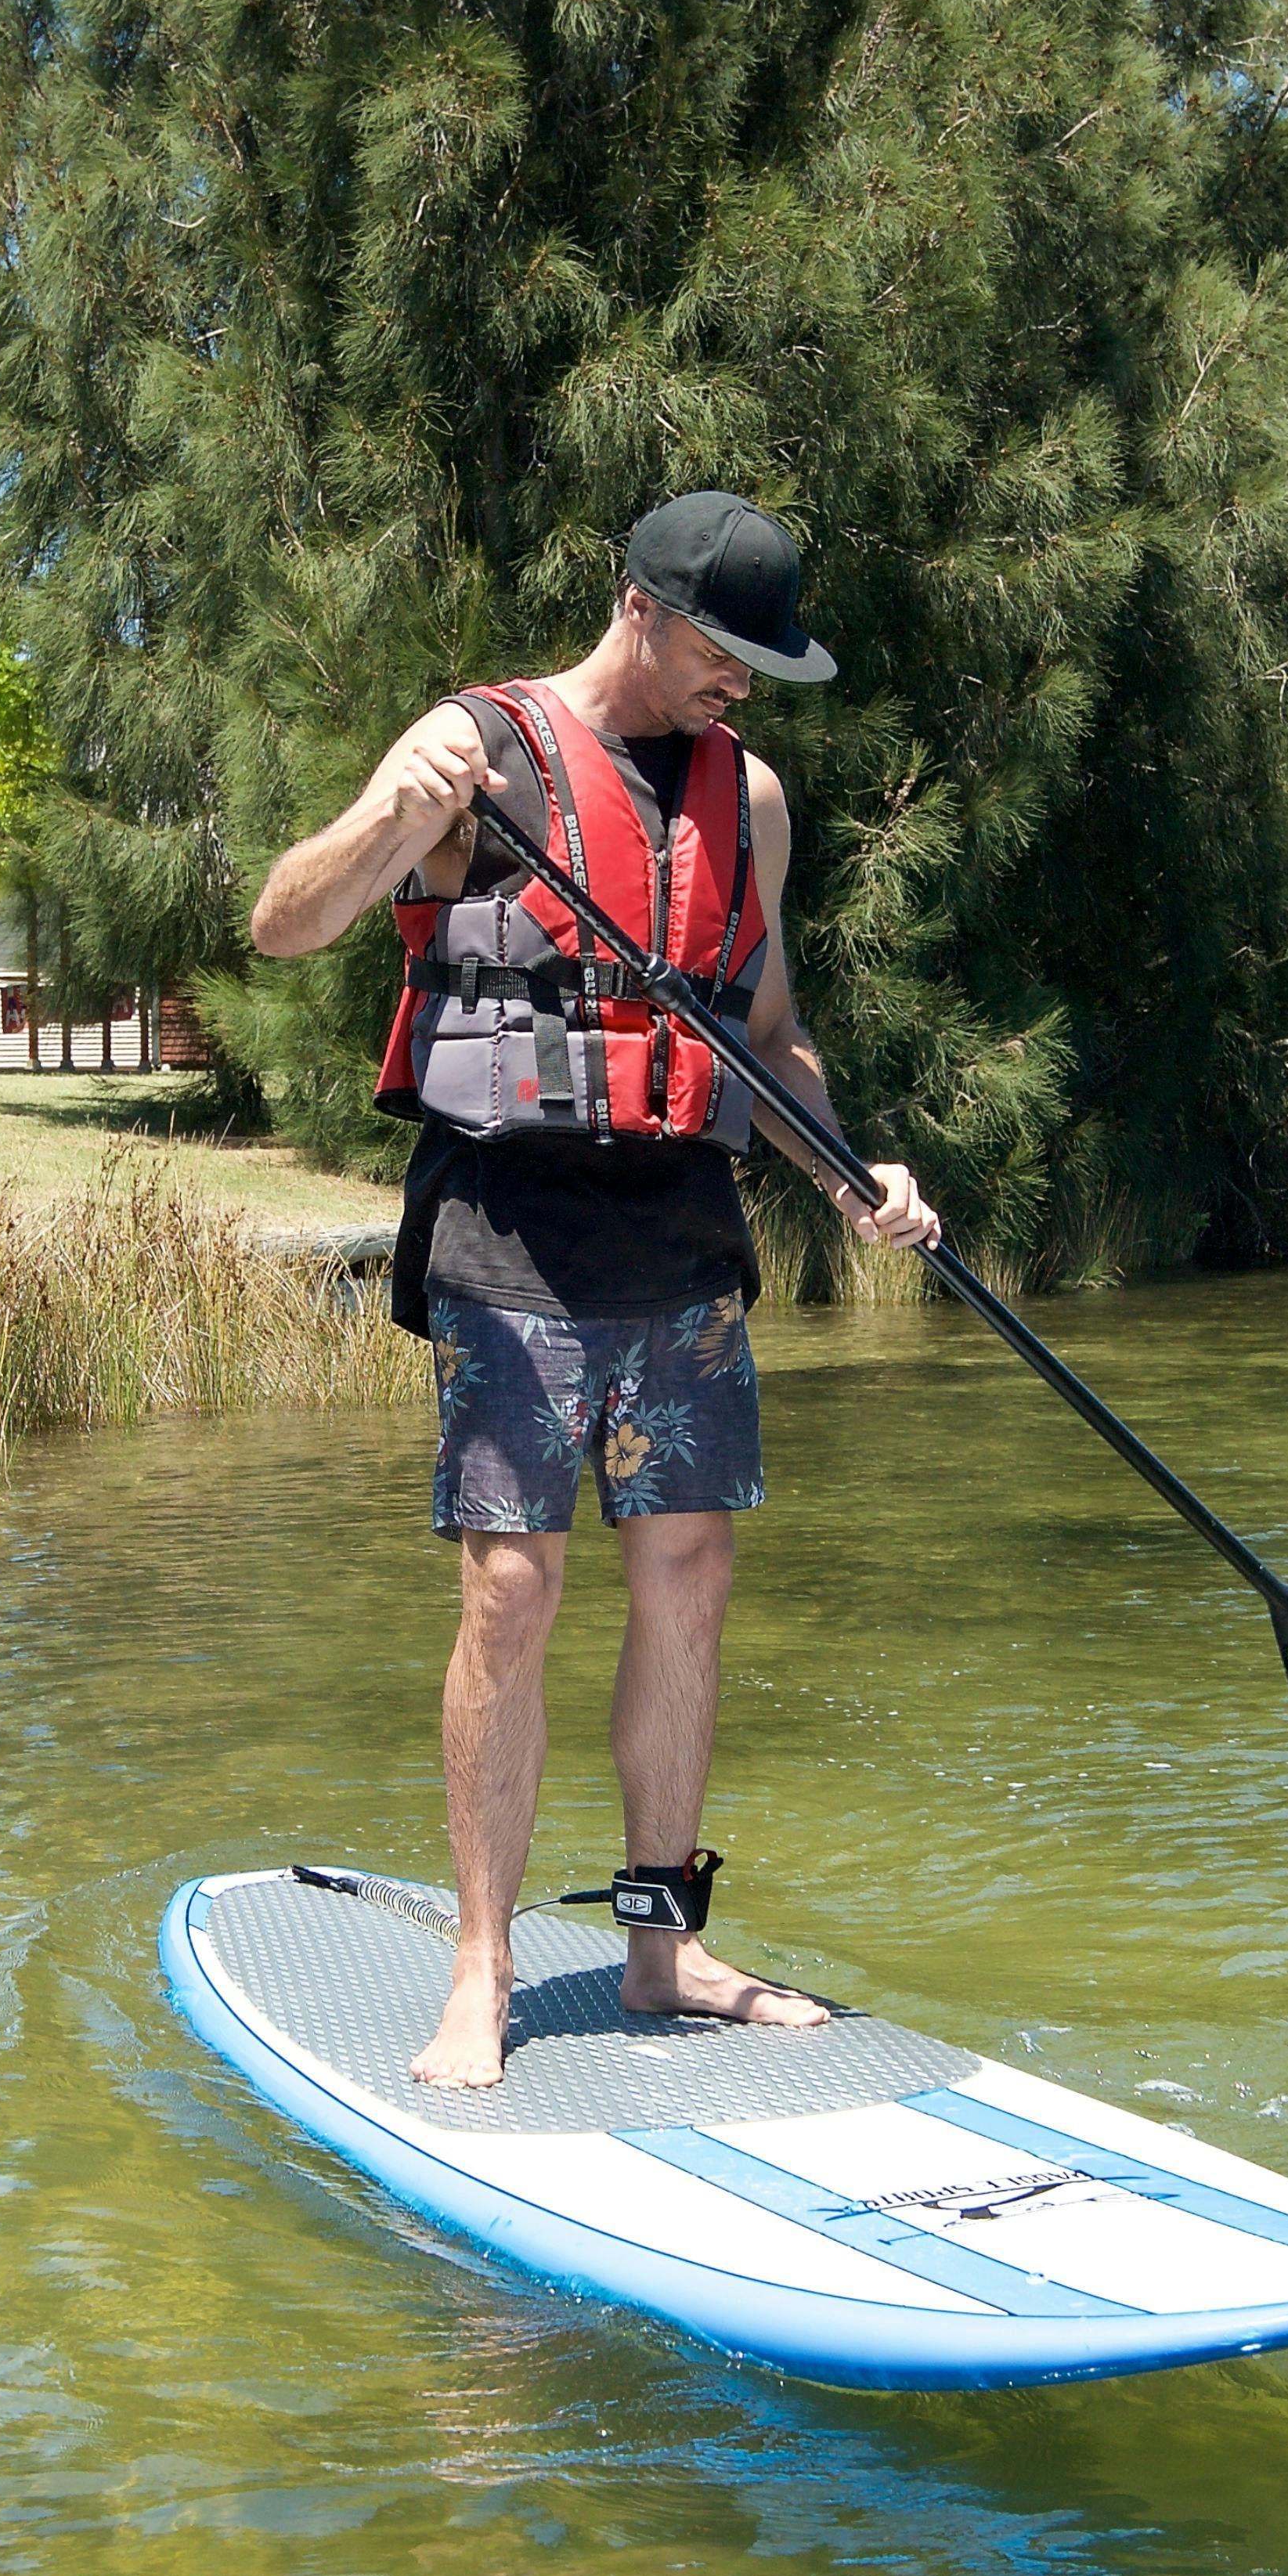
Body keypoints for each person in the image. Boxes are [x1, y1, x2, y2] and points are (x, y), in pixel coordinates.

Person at [249, 492, 943, 2088]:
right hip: (512, 1234)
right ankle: (482, 1967)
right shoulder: (475, 750)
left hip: (681, 1240)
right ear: (640, 607)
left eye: (765, 661)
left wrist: (859, 1174)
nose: (744, 685)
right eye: (725, 650)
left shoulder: (748, 798)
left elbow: (767, 1040)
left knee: (688, 1577)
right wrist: (387, 820)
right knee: (512, 1589)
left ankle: (661, 1945)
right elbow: (285, 926)